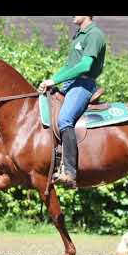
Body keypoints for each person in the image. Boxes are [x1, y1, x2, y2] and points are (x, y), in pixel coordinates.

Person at [38, 16, 107, 188]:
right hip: (70, 84)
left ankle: (69, 173)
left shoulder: (94, 34)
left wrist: (55, 81)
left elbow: (84, 66)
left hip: (83, 84)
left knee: (64, 119)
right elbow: (69, 67)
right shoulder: (79, 35)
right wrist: (51, 80)